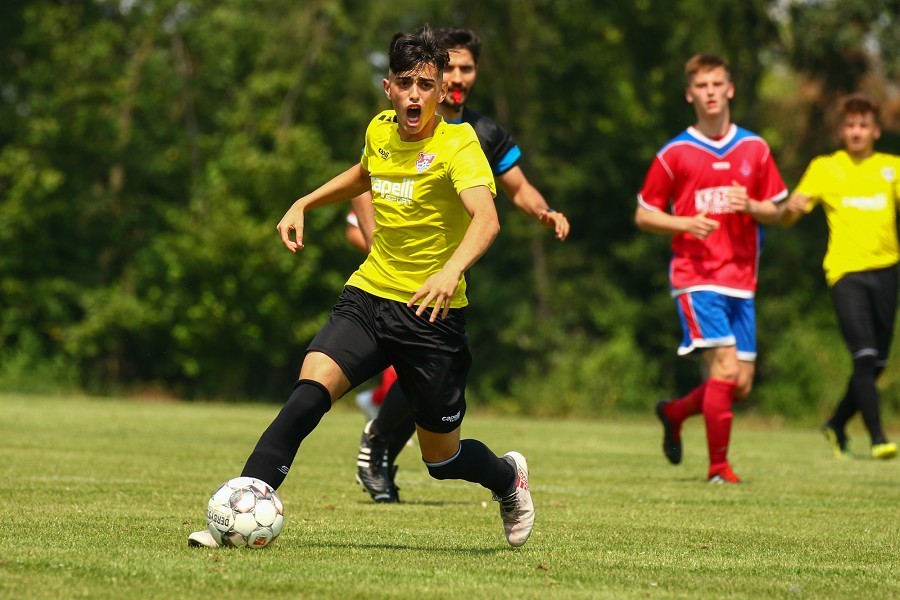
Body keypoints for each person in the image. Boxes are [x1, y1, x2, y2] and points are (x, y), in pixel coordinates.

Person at [188, 26, 534, 548]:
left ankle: (508, 479)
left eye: (425, 83)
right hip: (369, 298)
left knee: (443, 460)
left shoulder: (459, 144)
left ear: (441, 90)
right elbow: (364, 174)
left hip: (432, 318)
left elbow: (486, 220)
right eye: (404, 83)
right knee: (306, 398)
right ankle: (237, 511)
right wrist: (304, 201)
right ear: (388, 88)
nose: (415, 94)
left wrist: (450, 269)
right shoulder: (380, 130)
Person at [351, 27, 570, 503]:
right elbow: (366, 183)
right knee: (415, 367)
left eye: (466, 69)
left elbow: (518, 188)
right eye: (448, 68)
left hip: (455, 274)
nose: (457, 77)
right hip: (395, 274)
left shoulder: (483, 135)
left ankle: (382, 445)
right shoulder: (396, 127)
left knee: (432, 375)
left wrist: (543, 211)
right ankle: (380, 446)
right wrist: (376, 246)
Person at [635, 53, 788, 483]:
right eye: (702, 86)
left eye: (717, 84)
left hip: (742, 279)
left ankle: (674, 412)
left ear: (730, 89)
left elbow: (776, 211)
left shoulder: (755, 148)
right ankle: (719, 469)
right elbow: (644, 215)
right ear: (690, 94)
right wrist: (684, 223)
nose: (711, 93)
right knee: (724, 370)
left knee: (740, 384)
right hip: (695, 276)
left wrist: (753, 206)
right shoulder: (675, 153)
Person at [779, 93, 899, 461]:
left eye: (863, 125)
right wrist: (789, 209)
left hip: (888, 269)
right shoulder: (825, 168)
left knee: (876, 363)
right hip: (845, 272)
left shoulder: (893, 167)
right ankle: (878, 437)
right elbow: (788, 217)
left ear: (876, 131)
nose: (856, 131)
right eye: (850, 125)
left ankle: (835, 424)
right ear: (841, 131)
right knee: (863, 357)